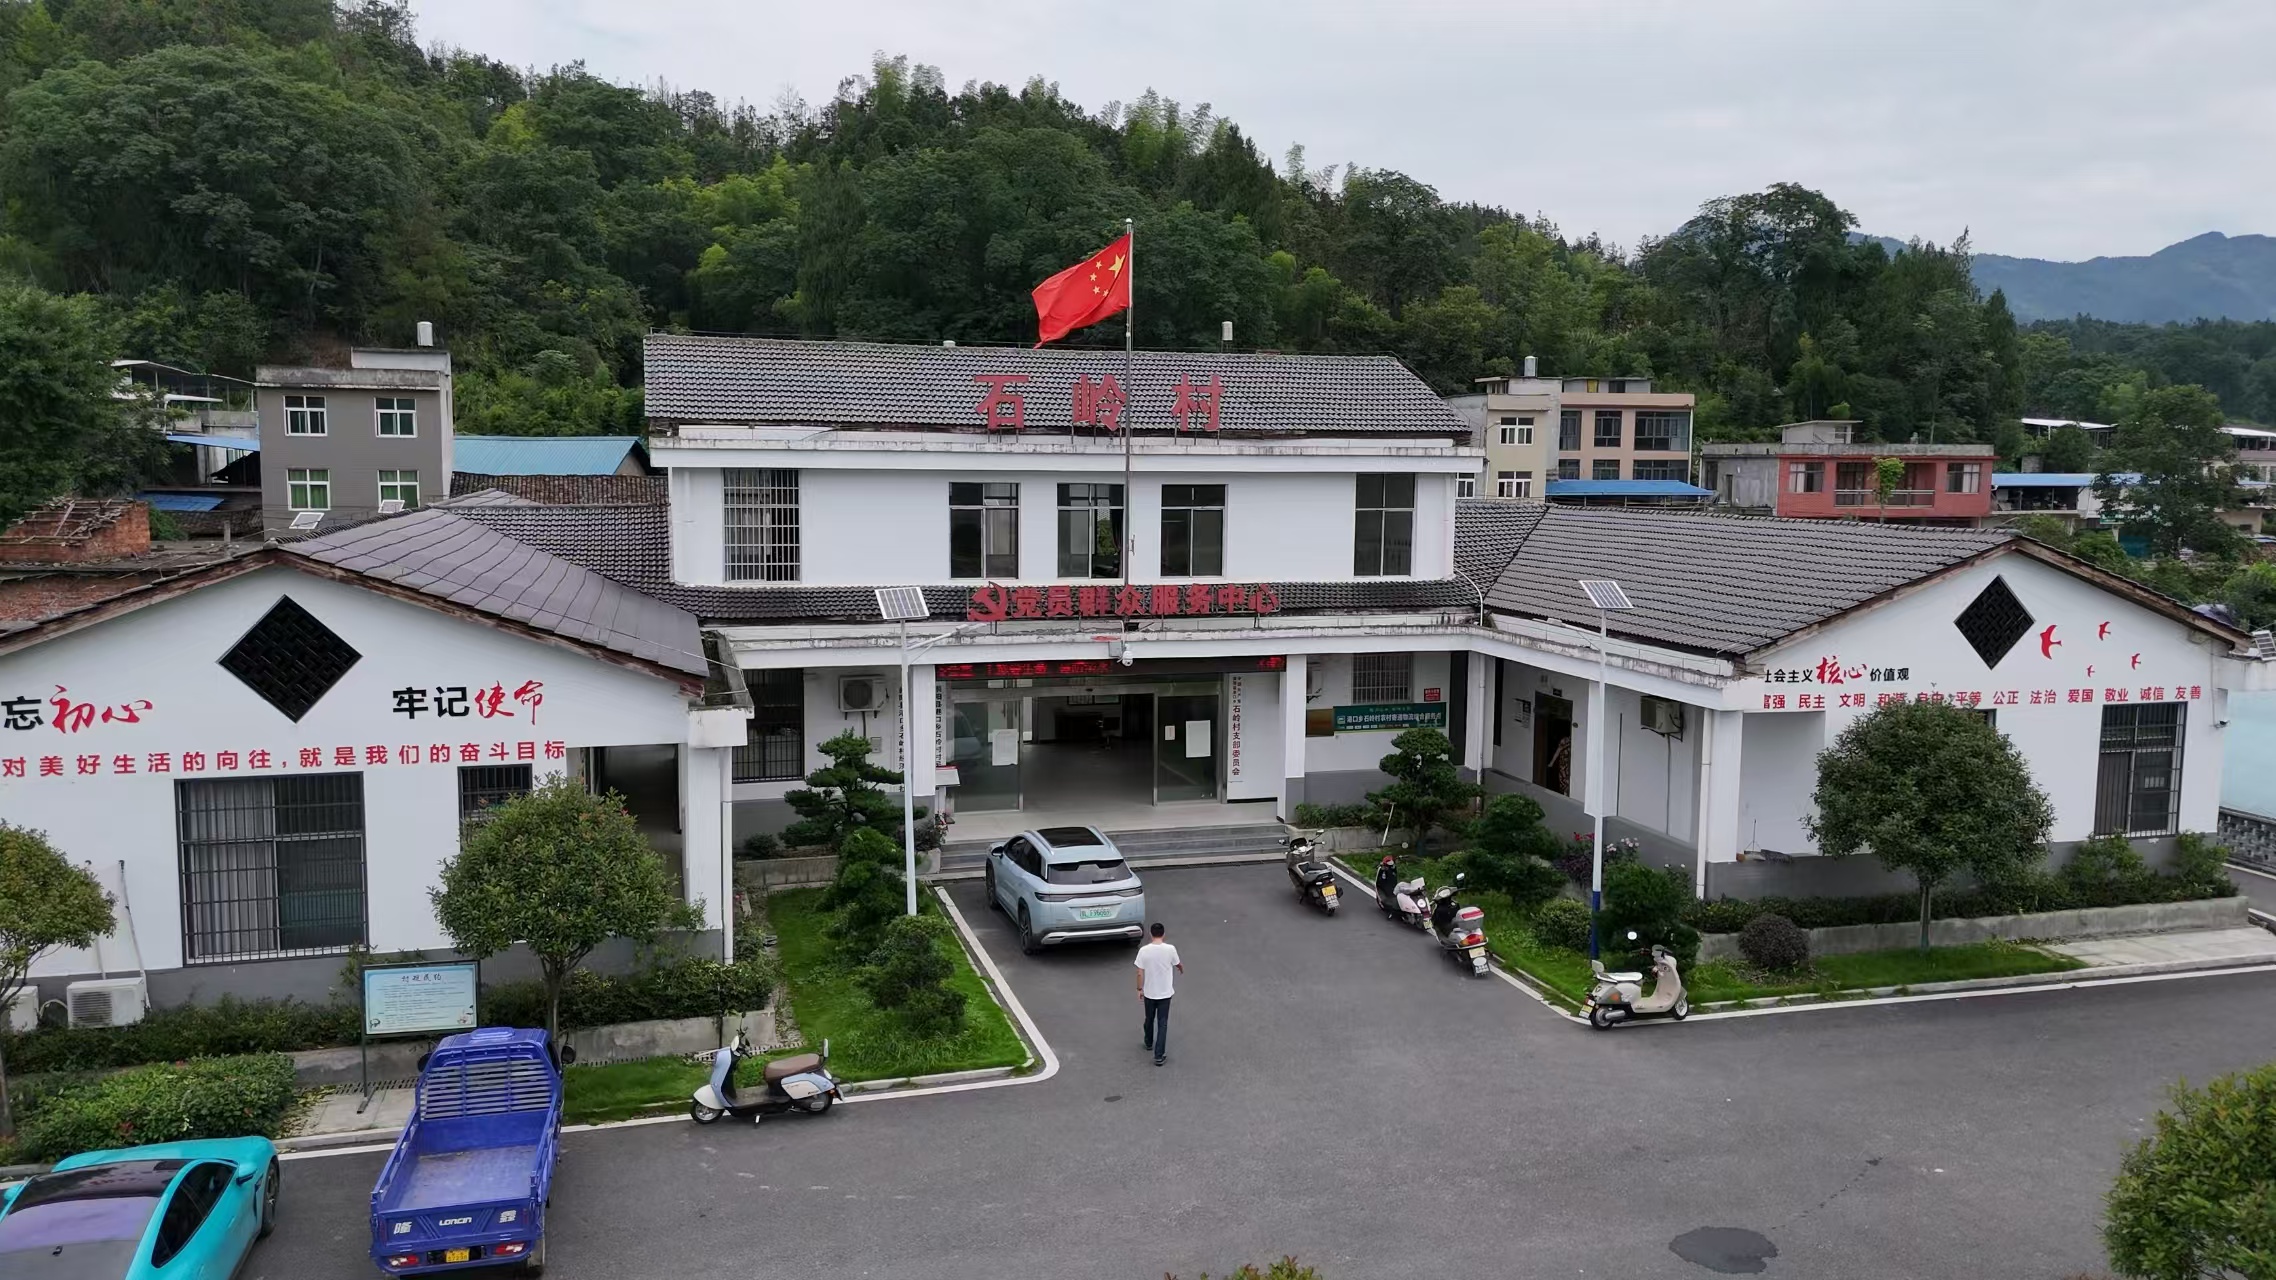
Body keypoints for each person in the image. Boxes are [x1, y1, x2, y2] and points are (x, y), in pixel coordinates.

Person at [1134, 922, 1182, 1066]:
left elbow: (1139, 972)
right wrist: (1181, 968)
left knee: (1149, 1018)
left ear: (1150, 934)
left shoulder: (1144, 951)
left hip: (1149, 993)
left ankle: (1148, 1042)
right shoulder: (1170, 949)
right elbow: (1177, 963)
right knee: (1162, 1023)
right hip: (1165, 993)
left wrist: (1139, 989)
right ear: (1163, 934)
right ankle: (1159, 1056)